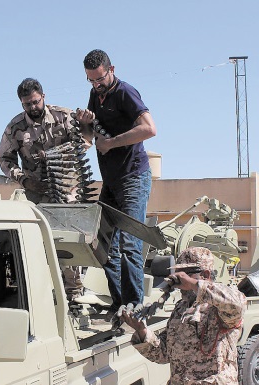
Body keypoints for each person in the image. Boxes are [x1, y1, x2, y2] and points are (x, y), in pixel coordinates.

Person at [74, 49, 157, 315]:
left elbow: (149, 129)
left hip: (133, 177)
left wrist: (112, 142)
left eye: (100, 79)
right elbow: (91, 137)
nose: (97, 85)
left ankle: (134, 306)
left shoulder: (125, 92)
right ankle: (119, 303)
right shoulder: (96, 96)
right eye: (91, 81)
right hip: (110, 182)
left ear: (112, 69)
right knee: (104, 243)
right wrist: (86, 124)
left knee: (130, 244)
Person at [0, 78, 91, 300]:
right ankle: (41, 292)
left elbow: (84, 145)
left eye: (36, 102)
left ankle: (73, 292)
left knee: (68, 241)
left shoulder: (63, 116)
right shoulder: (15, 127)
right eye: (27, 104)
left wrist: (57, 157)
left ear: (43, 97)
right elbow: (4, 158)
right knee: (38, 242)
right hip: (36, 193)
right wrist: (25, 181)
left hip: (67, 190)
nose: (33, 107)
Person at [119, 247, 246, 385]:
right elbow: (164, 353)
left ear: (205, 275)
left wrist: (194, 285)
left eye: (185, 274)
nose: (179, 282)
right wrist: (142, 331)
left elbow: (237, 304)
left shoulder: (218, 308)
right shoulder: (181, 309)